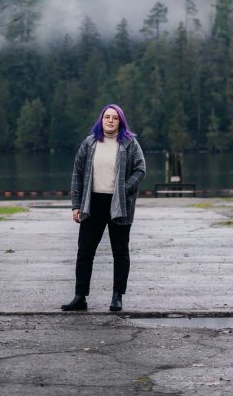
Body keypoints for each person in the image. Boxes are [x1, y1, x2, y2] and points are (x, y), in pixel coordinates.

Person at [61, 103, 146, 313]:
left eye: (114, 118)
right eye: (107, 117)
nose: (110, 120)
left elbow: (140, 169)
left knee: (120, 252)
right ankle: (80, 297)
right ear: (101, 120)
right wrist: (75, 205)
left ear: (120, 122)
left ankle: (117, 297)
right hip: (93, 203)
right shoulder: (89, 144)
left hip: (120, 205)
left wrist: (124, 188)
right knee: (85, 251)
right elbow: (77, 176)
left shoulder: (129, 143)